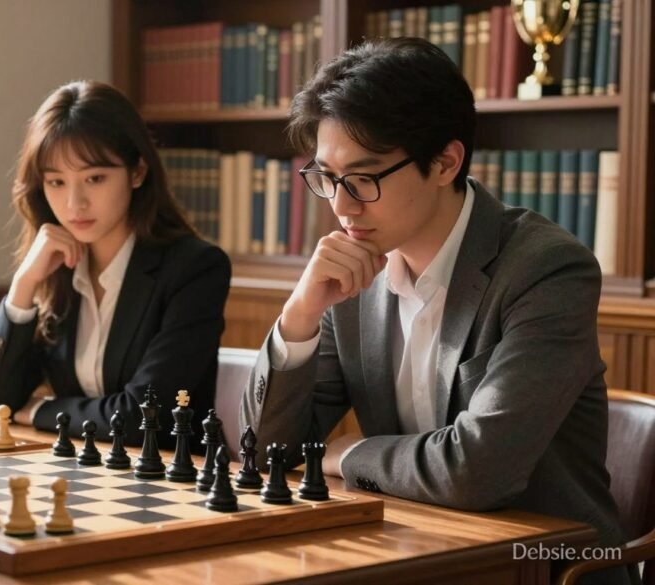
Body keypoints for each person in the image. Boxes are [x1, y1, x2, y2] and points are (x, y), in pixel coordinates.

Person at [239, 38, 634, 584]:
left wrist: (351, 453)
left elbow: (478, 471)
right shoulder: (352, 275)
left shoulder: (547, 270)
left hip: (541, 569)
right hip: (413, 556)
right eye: (327, 177)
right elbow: (267, 454)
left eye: (365, 178)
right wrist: (300, 314)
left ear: (446, 161)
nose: (342, 205)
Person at [0, 80, 230, 449]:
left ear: (137, 172)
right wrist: (24, 285)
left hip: (176, 484)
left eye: (95, 178)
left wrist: (43, 411)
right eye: (56, 182)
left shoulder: (194, 270)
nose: (75, 203)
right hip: (86, 475)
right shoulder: (55, 270)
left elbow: (143, 418)